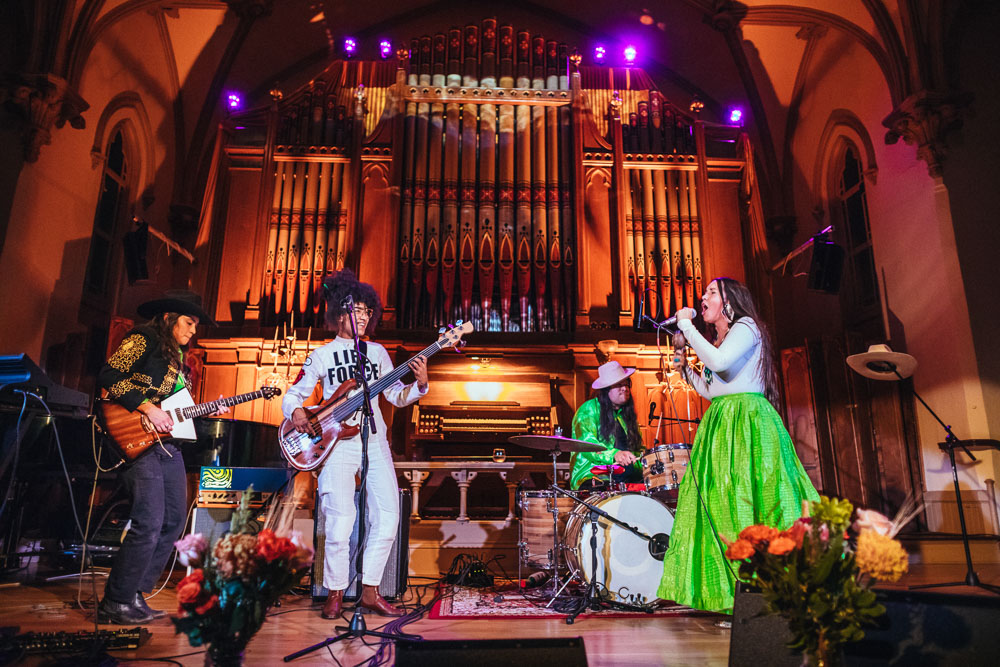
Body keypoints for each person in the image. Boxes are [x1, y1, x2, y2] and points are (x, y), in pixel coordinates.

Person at [657, 277, 819, 614]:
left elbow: (718, 363)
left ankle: (774, 588)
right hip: (721, 422)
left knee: (754, 496)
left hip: (747, 423)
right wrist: (687, 371)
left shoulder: (748, 326)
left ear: (731, 301)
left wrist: (686, 324)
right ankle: (732, 595)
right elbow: (713, 390)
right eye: (705, 293)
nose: (703, 297)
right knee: (722, 504)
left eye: (712, 292)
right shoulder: (720, 338)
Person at [282, 269, 428, 619]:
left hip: (373, 439)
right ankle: (335, 591)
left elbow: (394, 394)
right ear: (339, 313)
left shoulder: (377, 353)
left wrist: (420, 386)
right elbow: (293, 394)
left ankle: (370, 590)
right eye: (357, 310)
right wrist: (299, 411)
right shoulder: (321, 355)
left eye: (367, 312)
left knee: (389, 514)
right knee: (340, 518)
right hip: (335, 443)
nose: (363, 317)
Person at [96, 290, 225, 624]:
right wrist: (148, 407)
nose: (193, 330)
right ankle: (116, 600)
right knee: (149, 520)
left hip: (168, 445)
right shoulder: (143, 337)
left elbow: (175, 412)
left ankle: (134, 594)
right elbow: (109, 375)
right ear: (169, 318)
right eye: (189, 322)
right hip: (137, 437)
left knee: (171, 522)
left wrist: (212, 409)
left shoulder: (175, 360)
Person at [569, 361, 644, 490]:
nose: (625, 388)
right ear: (606, 390)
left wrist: (646, 461)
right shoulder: (588, 410)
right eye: (619, 385)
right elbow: (587, 444)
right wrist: (615, 454)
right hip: (592, 476)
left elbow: (638, 449)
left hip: (625, 478)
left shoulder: (627, 415)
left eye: (626, 384)